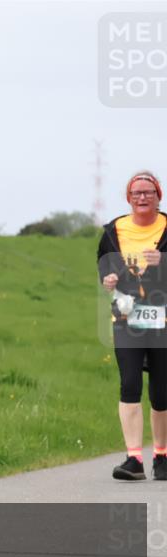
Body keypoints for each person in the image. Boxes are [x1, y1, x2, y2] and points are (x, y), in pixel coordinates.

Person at [98, 171, 167, 481]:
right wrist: (108, 280)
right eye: (137, 192)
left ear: (158, 196)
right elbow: (105, 271)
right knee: (129, 385)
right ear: (128, 198)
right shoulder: (113, 231)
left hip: (163, 319)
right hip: (127, 318)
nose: (142, 197)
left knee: (162, 392)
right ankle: (134, 459)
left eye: (149, 192)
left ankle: (162, 457)